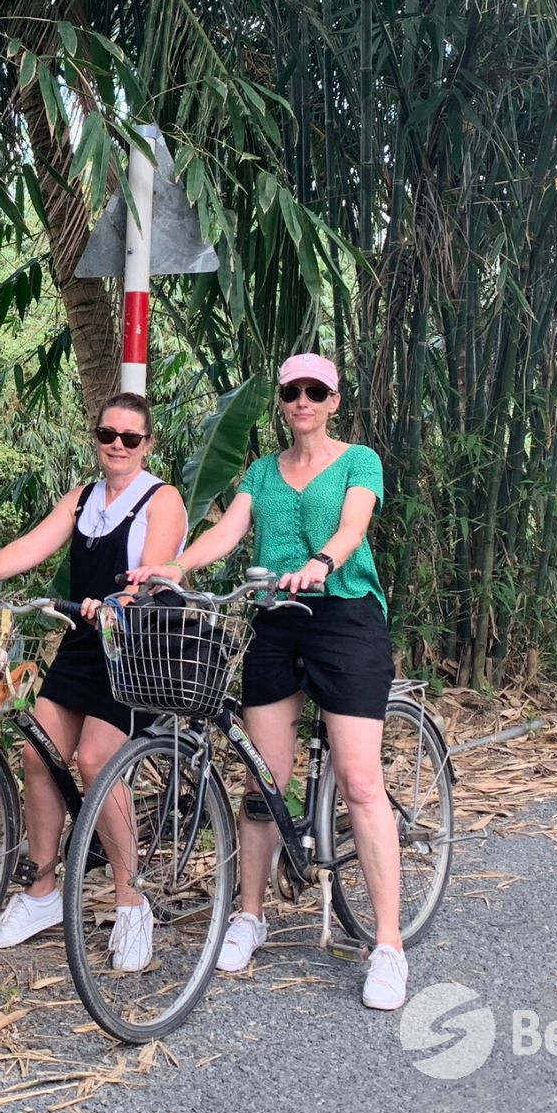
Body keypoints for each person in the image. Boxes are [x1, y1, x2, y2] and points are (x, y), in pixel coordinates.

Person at [126, 352, 409, 1010]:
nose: (303, 400)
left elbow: (353, 525)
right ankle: (249, 914)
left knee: (362, 780)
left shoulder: (358, 460)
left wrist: (320, 562)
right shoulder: (260, 471)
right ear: (281, 401)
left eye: (316, 391)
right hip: (274, 621)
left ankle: (387, 944)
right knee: (261, 778)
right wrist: (169, 567)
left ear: (333, 400)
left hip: (345, 617)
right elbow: (226, 533)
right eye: (292, 391)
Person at [0, 392, 186, 972]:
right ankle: (42, 891)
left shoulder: (163, 498)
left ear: (147, 444)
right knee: (38, 750)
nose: (117, 446)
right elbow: (35, 543)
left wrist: (124, 599)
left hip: (136, 646)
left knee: (99, 761)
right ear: (96, 438)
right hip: (83, 639)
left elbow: (154, 568)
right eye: (108, 435)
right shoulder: (81, 499)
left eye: (130, 438)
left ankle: (131, 901)